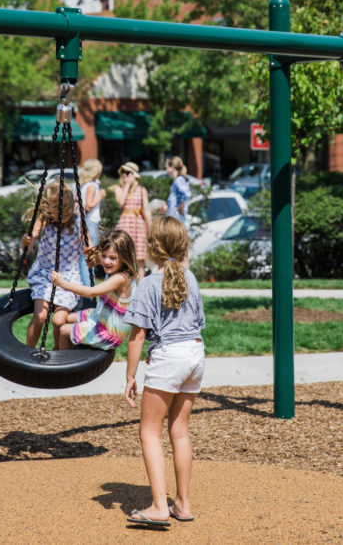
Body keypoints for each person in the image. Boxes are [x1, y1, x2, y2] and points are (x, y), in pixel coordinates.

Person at [122, 216, 205, 527]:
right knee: (180, 431)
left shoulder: (149, 284)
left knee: (149, 431)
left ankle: (159, 506)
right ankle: (182, 504)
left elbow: (138, 335)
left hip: (170, 356)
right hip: (195, 355)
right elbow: (197, 323)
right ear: (182, 245)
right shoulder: (191, 278)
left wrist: (130, 376)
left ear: (152, 248)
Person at [22, 181, 86, 351]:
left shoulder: (79, 223)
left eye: (66, 207)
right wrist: (26, 241)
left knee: (59, 321)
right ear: (48, 207)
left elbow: (89, 246)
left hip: (67, 278)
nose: (63, 212)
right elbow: (31, 241)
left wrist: (93, 254)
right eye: (58, 208)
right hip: (44, 274)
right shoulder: (43, 220)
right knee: (41, 316)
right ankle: (26, 354)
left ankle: (58, 353)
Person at [49, 229, 139, 350]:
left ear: (125, 257)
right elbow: (99, 258)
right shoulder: (118, 269)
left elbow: (91, 292)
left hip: (109, 333)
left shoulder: (120, 279)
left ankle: (64, 362)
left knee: (63, 330)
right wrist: (94, 260)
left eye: (112, 258)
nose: (106, 261)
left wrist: (62, 283)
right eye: (104, 256)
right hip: (101, 317)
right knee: (68, 318)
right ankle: (67, 349)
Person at [111, 161, 151, 278]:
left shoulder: (142, 190)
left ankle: (141, 291)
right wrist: (127, 185)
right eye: (123, 172)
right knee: (122, 258)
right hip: (124, 224)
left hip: (138, 226)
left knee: (139, 261)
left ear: (134, 175)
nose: (125, 175)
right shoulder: (118, 188)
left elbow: (146, 210)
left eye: (128, 173)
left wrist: (150, 228)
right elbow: (120, 202)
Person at [78, 158, 106, 286]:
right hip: (89, 222)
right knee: (90, 256)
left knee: (83, 256)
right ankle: (89, 288)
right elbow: (88, 206)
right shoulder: (92, 186)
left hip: (82, 220)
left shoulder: (83, 185)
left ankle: (85, 287)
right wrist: (100, 196)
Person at [164, 156, 191, 227]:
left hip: (177, 218)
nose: (165, 170)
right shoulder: (178, 180)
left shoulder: (179, 180)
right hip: (175, 217)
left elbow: (187, 194)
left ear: (172, 167)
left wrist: (181, 206)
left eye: (166, 168)